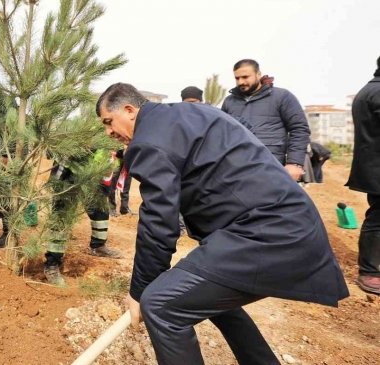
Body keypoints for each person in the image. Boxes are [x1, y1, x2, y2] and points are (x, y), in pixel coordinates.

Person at [96, 83, 348, 364]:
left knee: (161, 304)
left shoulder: (148, 140)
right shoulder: (186, 114)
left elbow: (159, 223)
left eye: (108, 121)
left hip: (268, 231)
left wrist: (139, 291)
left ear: (129, 110)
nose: (108, 132)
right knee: (206, 295)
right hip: (286, 223)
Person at [43, 151, 123, 287]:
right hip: (69, 169)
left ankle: (98, 246)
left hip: (95, 170)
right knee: (62, 216)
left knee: (100, 207)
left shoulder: (110, 133)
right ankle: (52, 264)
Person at [222, 60, 310, 181]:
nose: (241, 82)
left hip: (271, 166)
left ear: (258, 74)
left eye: (245, 77)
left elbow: (299, 129)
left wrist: (294, 163)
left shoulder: (282, 96)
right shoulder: (229, 101)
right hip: (237, 169)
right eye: (237, 78)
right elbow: (223, 134)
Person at [346, 56, 380, 295]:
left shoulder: (369, 90)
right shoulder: (377, 92)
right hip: (377, 169)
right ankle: (369, 271)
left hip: (373, 167)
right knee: (377, 219)